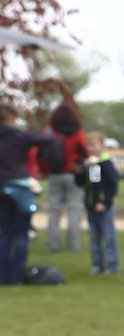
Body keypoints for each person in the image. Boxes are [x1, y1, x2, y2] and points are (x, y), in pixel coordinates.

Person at [0, 102, 56, 286]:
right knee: (21, 233)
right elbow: (47, 140)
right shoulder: (19, 135)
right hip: (21, 186)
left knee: (5, 233)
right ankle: (15, 276)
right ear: (10, 118)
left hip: (2, 187)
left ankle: (3, 276)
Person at [39, 99, 89, 254]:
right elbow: (85, 154)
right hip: (74, 174)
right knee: (74, 210)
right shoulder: (78, 132)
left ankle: (52, 245)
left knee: (54, 211)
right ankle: (73, 246)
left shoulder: (48, 132)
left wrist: (44, 171)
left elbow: (41, 154)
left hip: (55, 174)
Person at [81, 134, 121, 274]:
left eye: (94, 145)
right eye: (89, 145)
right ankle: (97, 265)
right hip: (92, 206)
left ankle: (112, 265)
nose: (91, 148)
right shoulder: (93, 164)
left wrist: (103, 201)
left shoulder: (106, 163)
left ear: (102, 146)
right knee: (94, 238)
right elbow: (93, 183)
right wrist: (80, 172)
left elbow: (112, 184)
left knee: (108, 237)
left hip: (104, 207)